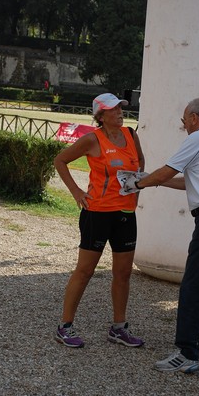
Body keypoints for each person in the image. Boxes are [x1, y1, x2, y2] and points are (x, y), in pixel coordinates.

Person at [123, 98, 199, 373]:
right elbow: (188, 182)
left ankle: (186, 352)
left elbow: (169, 169)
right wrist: (154, 181)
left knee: (192, 286)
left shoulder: (198, 139)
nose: (184, 127)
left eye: (183, 122)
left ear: (193, 118)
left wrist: (137, 183)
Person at [53, 92, 146, 349]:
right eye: (114, 109)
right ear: (101, 116)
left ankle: (118, 328)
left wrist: (135, 187)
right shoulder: (92, 139)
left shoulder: (130, 135)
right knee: (85, 271)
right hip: (97, 213)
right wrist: (76, 191)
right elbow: (60, 160)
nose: (120, 112)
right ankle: (65, 326)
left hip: (125, 214)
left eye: (121, 108)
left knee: (123, 273)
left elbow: (140, 162)